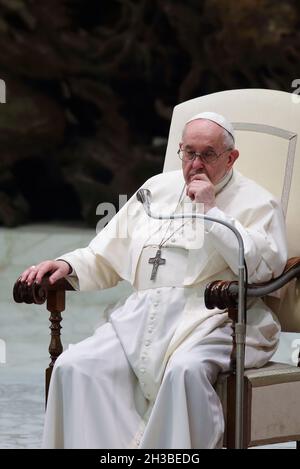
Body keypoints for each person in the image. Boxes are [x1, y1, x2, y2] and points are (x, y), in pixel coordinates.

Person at [20, 112, 287, 449]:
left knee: (185, 373)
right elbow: (105, 253)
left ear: (231, 157)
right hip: (142, 317)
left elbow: (261, 269)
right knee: (75, 366)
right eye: (189, 153)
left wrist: (210, 210)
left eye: (208, 154)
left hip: (217, 320)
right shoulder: (155, 189)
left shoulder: (258, 202)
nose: (196, 163)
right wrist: (66, 265)